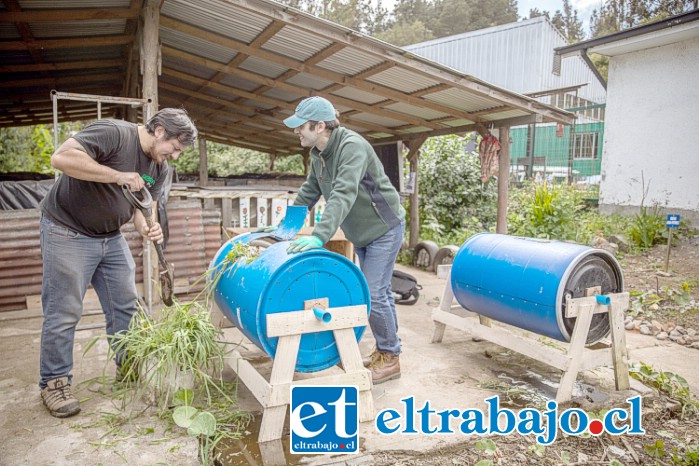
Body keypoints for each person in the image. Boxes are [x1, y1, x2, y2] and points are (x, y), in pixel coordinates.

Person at [38, 108, 197, 417]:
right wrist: (117, 175)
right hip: (66, 229)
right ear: (160, 131)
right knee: (65, 308)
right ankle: (54, 383)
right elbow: (61, 158)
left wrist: (146, 225)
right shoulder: (113, 133)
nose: (174, 156)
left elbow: (140, 205)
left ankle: (129, 367)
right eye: (175, 147)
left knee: (126, 304)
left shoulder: (158, 166)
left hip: (110, 236)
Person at [283, 96, 406, 384]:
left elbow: (343, 193)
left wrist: (318, 236)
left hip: (384, 229)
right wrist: (286, 227)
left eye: (301, 127)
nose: (297, 132)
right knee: (381, 293)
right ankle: (386, 351)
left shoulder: (352, 147)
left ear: (320, 125)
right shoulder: (318, 154)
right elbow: (310, 190)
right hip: (360, 232)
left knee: (374, 293)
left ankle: (391, 358)